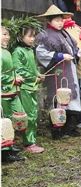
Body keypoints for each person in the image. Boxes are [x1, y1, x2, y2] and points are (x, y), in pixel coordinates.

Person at [35, 6, 81, 139]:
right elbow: (41, 53)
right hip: (57, 71)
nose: (60, 22)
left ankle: (70, 128)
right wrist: (60, 56)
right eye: (56, 20)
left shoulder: (65, 33)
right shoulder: (44, 35)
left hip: (69, 69)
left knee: (71, 96)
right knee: (58, 97)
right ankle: (57, 131)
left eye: (61, 20)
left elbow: (73, 48)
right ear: (49, 21)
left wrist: (77, 53)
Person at [12, 25, 45, 153]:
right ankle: (29, 143)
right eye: (29, 36)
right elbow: (18, 70)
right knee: (28, 115)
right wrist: (33, 77)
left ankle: (30, 140)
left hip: (31, 86)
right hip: (24, 87)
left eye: (33, 36)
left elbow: (33, 67)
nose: (32, 39)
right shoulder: (17, 51)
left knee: (33, 113)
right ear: (21, 37)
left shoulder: (30, 50)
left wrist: (38, 74)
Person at [1, 26, 26, 161]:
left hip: (11, 90)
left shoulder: (6, 52)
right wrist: (13, 79)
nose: (7, 37)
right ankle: (4, 151)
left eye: (8, 34)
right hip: (3, 92)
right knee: (4, 120)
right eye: (4, 34)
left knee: (16, 117)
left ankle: (10, 145)